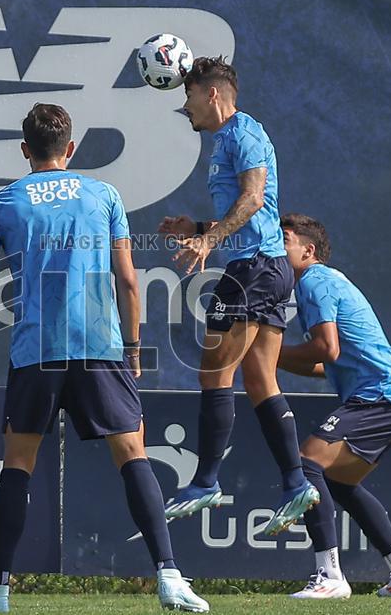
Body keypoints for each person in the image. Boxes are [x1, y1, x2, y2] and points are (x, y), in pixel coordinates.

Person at [0, 103, 208, 613]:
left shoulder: (3, 202)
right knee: (133, 453)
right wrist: (134, 347)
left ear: (25, 150)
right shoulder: (103, 194)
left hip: (37, 350)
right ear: (70, 149)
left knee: (17, 462)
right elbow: (128, 279)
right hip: (99, 346)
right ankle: (169, 577)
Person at [158, 56, 316, 533]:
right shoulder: (228, 139)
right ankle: (295, 483)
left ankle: (206, 480)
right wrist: (199, 227)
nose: (185, 110)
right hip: (265, 267)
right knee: (260, 380)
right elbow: (255, 213)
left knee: (213, 372)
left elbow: (253, 198)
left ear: (211, 94)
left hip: (253, 270)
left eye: (188, 98)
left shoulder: (242, 133)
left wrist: (210, 240)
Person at [277, 214, 391, 599]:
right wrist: (271, 358)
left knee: (307, 463)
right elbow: (326, 362)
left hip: (380, 396)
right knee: (340, 483)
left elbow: (326, 349)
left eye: (285, 240)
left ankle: (329, 576)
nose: (276, 247)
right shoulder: (322, 280)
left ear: (308, 251)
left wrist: (269, 351)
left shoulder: (313, 281)